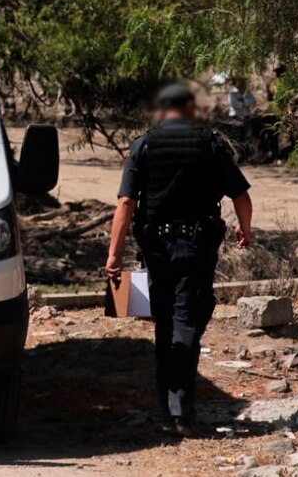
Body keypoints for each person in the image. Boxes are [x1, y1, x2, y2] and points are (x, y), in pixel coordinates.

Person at [105, 83, 253, 437]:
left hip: (157, 249)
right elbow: (241, 195)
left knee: (166, 324)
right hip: (196, 248)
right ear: (189, 109)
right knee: (187, 323)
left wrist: (113, 255)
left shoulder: (144, 144)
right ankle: (181, 412)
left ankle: (169, 410)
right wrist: (245, 230)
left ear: (162, 110)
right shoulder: (211, 143)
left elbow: (126, 204)